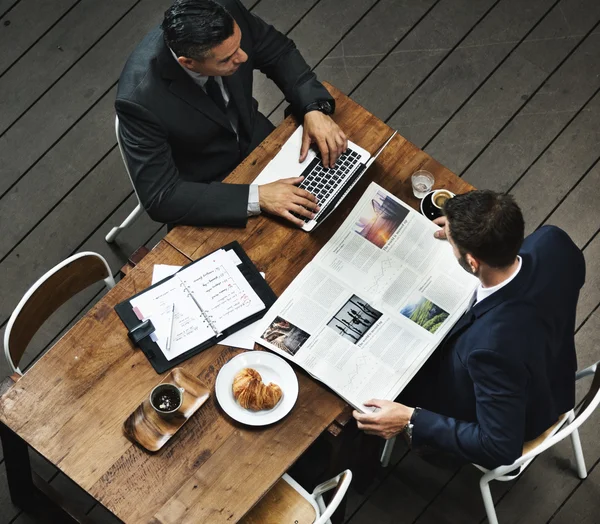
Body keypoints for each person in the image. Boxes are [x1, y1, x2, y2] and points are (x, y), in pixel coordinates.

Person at [353, 191, 586, 469]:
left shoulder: (491, 347)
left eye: (452, 243)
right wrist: (462, 233)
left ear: (472, 262)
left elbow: (499, 447)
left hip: (519, 414)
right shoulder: (553, 243)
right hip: (552, 373)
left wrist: (410, 419)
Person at [116, 0, 348, 228]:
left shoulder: (227, 9)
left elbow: (279, 52)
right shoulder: (139, 102)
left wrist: (313, 108)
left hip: (257, 137)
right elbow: (161, 197)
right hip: (210, 186)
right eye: (227, 59)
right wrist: (259, 198)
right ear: (189, 63)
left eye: (240, 44)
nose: (244, 57)